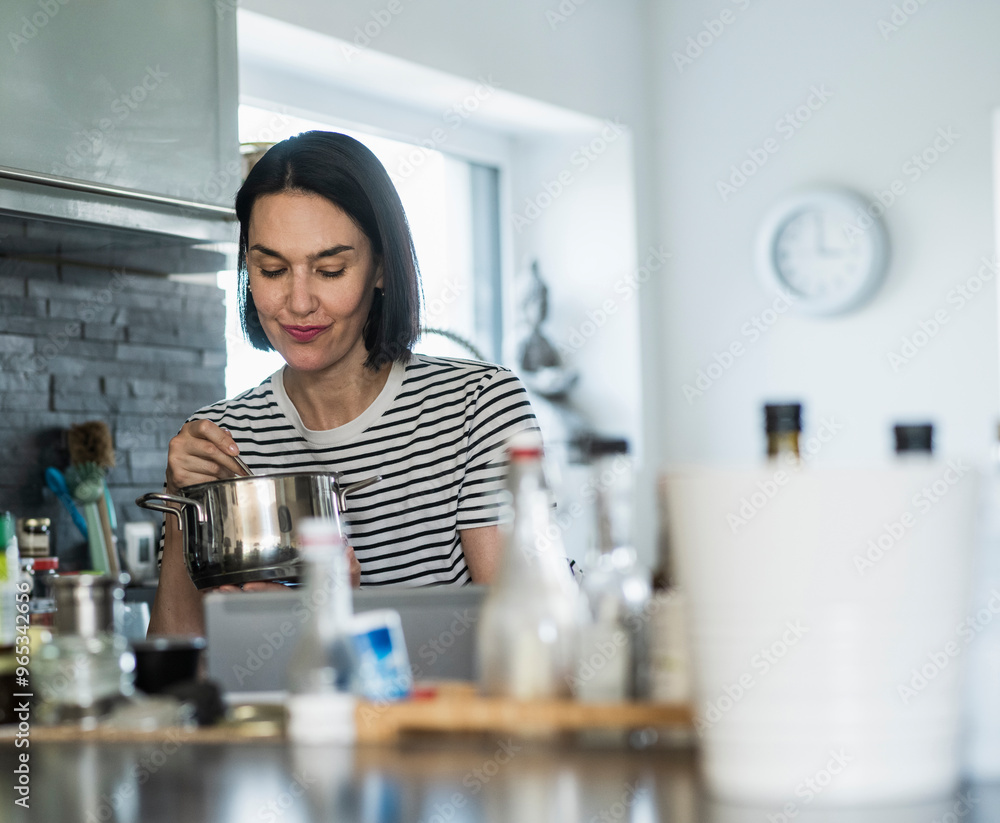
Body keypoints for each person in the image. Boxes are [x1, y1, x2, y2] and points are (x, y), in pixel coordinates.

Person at [148, 131, 537, 636]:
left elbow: (530, 648)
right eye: (272, 269)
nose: (299, 302)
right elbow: (179, 661)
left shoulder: (477, 410)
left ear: (381, 267)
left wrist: (335, 618)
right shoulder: (220, 439)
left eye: (330, 270)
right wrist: (181, 505)